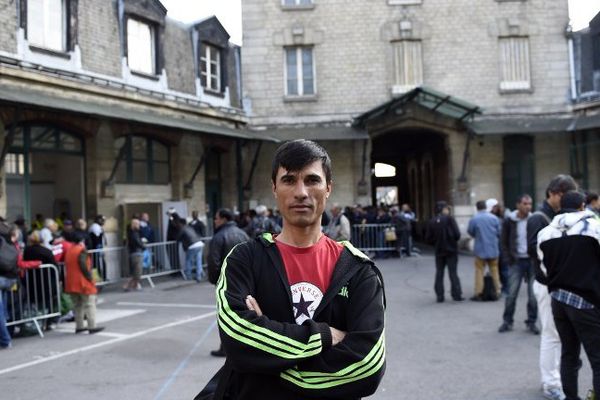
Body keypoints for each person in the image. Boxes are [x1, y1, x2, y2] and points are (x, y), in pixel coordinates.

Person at [207, 139, 385, 399]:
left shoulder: (358, 269)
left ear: (328, 188)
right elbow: (237, 336)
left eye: (312, 180)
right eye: (289, 180)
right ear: (274, 188)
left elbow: (367, 366)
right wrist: (324, 336)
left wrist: (265, 363)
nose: (301, 191)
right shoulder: (244, 259)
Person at [537, 191, 600, 400]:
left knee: (569, 355)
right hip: (587, 300)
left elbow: (543, 269)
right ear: (583, 205)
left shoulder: (545, 233)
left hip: (559, 300)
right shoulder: (593, 227)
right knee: (597, 359)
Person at [528, 174, 577, 400]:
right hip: (547, 283)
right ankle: (550, 384)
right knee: (551, 335)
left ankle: (553, 378)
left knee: (557, 334)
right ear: (554, 193)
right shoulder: (539, 218)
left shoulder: (553, 215)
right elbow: (534, 252)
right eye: (564, 196)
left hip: (555, 283)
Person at [207, 207, 250, 357]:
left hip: (225, 282)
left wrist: (215, 280)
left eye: (216, 218)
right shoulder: (242, 233)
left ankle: (226, 348)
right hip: (243, 282)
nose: (215, 221)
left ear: (224, 219)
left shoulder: (219, 237)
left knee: (225, 315)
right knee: (242, 314)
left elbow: (214, 262)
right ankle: (241, 345)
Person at [498, 194, 539, 334]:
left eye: (530, 204)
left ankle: (532, 322)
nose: (528, 206)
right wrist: (507, 259)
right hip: (516, 262)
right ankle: (507, 321)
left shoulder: (535, 219)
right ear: (518, 205)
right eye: (525, 204)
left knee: (533, 296)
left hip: (532, 261)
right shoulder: (509, 220)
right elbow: (503, 241)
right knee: (511, 294)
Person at [64, 236, 104, 334]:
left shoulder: (69, 250)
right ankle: (92, 326)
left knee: (77, 305)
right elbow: (84, 267)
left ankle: (79, 326)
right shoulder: (81, 251)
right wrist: (91, 278)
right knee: (89, 304)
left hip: (71, 281)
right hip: (82, 282)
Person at [425, 201, 463, 303]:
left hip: (439, 250)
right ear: (443, 209)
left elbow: (428, 238)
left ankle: (440, 296)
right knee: (453, 272)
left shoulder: (432, 221)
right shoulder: (450, 219)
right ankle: (456, 294)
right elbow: (457, 234)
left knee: (439, 273)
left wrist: (436, 243)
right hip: (451, 250)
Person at [468, 200, 501, 300]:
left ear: (477, 208)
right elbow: (499, 232)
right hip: (493, 248)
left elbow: (471, 231)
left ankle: (478, 292)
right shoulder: (494, 218)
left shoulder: (474, 219)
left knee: (479, 271)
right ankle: (497, 290)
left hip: (480, 248)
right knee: (494, 270)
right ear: (486, 207)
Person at [0, 223, 19, 349]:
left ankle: (5, 339)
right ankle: (5, 336)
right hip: (9, 278)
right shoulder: (8, 241)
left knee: (1, 311)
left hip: (2, 278)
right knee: (3, 310)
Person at [174, 217, 205, 282]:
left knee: (188, 260)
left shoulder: (182, 229)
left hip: (192, 245)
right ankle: (198, 276)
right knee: (198, 261)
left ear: (180, 223)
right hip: (199, 243)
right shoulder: (190, 227)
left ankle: (188, 275)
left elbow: (178, 238)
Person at [124, 218, 145, 291]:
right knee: (137, 272)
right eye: (138, 224)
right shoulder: (134, 233)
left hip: (134, 253)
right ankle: (127, 286)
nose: (139, 225)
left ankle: (134, 285)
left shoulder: (131, 233)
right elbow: (137, 242)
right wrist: (143, 246)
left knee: (135, 272)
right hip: (136, 253)